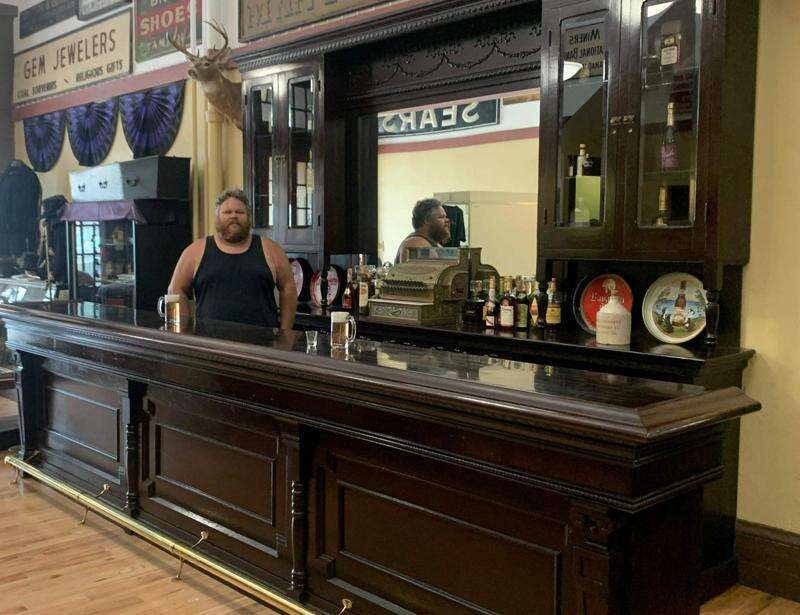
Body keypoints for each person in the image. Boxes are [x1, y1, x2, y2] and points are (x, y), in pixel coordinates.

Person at [168, 188, 297, 329]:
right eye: (227, 212)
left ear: (249, 217)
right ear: (217, 217)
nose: (234, 216)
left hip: (262, 340)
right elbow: (175, 290)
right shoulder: (195, 251)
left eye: (239, 212)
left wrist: (285, 332)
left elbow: (288, 288)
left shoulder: (271, 250)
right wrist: (182, 330)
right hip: (208, 339)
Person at [394, 198, 452, 263]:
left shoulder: (430, 242)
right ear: (426, 220)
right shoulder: (416, 244)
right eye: (441, 217)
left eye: (445, 217)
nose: (447, 220)